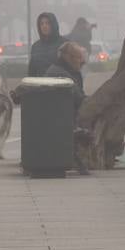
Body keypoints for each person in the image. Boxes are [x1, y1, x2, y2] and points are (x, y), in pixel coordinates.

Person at [46, 40, 90, 175]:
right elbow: (79, 99)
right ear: (69, 58)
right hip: (63, 118)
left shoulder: (65, 70)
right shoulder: (63, 74)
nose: (82, 64)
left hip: (62, 115)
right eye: (80, 61)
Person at [28, 12, 64, 77]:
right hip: (40, 85)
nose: (44, 26)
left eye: (47, 23)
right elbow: (32, 71)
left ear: (53, 25)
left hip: (58, 85)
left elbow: (72, 70)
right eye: (41, 24)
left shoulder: (64, 44)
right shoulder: (35, 47)